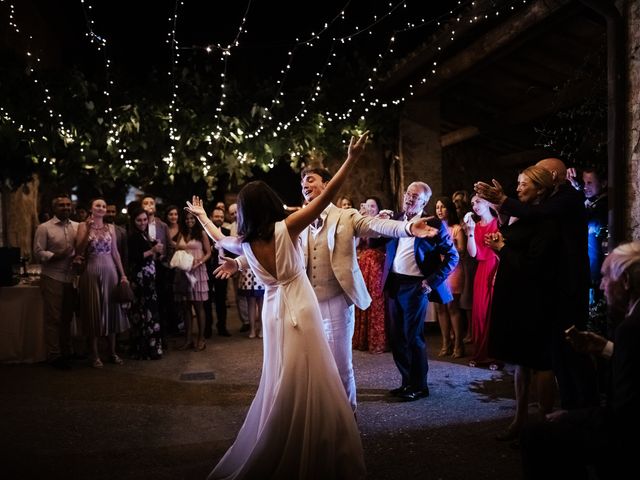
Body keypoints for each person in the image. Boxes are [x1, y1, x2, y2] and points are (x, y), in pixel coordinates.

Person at [185, 132, 370, 479]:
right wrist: (351, 159)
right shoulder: (288, 228)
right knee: (313, 373)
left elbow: (217, 238)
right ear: (270, 202)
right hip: (301, 306)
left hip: (273, 313)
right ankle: (313, 439)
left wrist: (200, 215)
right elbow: (328, 195)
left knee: (281, 375)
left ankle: (279, 430)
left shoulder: (246, 243)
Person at [475, 157, 599, 409]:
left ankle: (583, 411)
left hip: (567, 287)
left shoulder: (566, 199)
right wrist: (502, 212)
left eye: (530, 179)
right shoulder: (547, 206)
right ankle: (571, 410)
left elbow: (535, 223)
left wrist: (502, 202)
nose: (520, 187)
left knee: (569, 352)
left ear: (550, 178)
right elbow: (518, 231)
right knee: (559, 354)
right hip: (550, 289)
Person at [520, 241, 640, 480]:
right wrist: (605, 348)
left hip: (630, 436)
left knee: (537, 433)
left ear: (625, 281)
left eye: (607, 277)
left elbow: (625, 414)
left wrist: (571, 415)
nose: (602, 285)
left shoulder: (631, 328)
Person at [485, 166, 558, 441]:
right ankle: (519, 419)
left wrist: (502, 248)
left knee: (539, 361)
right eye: (517, 183)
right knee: (519, 361)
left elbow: (535, 265)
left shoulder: (547, 222)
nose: (517, 189)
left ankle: (545, 426)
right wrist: (501, 240)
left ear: (540, 189)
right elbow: (514, 246)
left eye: (523, 184)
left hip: (534, 297)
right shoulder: (521, 218)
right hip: (514, 293)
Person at [382, 182, 459, 401]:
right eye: (407, 194)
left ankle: (419, 386)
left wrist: (431, 281)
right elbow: (376, 243)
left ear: (424, 202)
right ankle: (407, 382)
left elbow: (453, 257)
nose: (409, 198)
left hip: (416, 285)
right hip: (395, 283)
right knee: (396, 337)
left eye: (415, 196)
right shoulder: (396, 220)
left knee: (413, 337)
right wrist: (377, 221)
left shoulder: (433, 223)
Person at [75, 198, 129, 368]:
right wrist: (89, 228)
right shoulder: (83, 226)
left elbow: (115, 253)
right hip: (91, 270)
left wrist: (123, 275)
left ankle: (112, 352)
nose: (101, 208)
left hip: (110, 270)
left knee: (111, 310)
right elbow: (78, 250)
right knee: (94, 312)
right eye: (98, 205)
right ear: (91, 208)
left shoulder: (111, 228)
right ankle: (95, 355)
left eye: (104, 206)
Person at [33, 194, 79, 369]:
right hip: (52, 277)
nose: (66, 208)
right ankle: (54, 355)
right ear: (54, 208)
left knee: (67, 318)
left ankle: (67, 351)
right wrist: (58, 255)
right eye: (62, 205)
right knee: (53, 318)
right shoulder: (44, 228)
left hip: (71, 278)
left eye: (68, 205)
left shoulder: (77, 226)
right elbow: (38, 253)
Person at [463, 195, 500, 368]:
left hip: (496, 267)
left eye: (477, 201)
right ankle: (480, 355)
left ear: (487, 202)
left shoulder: (498, 222)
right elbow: (473, 254)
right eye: (472, 203)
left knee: (494, 313)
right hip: (481, 270)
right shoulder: (476, 226)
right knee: (480, 314)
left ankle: (496, 357)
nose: (474, 205)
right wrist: (470, 232)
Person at [127, 206, 163, 360]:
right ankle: (145, 349)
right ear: (133, 221)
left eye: (144, 219)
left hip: (149, 279)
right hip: (141, 279)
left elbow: (150, 256)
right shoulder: (133, 237)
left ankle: (151, 347)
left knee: (149, 312)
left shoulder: (144, 235)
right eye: (139, 220)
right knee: (143, 313)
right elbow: (134, 257)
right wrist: (153, 250)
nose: (142, 222)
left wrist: (156, 251)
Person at [353, 196, 388, 354]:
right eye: (367, 206)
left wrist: (370, 220)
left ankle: (377, 341)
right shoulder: (361, 223)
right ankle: (362, 340)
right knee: (362, 298)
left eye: (373, 206)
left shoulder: (382, 222)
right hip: (364, 264)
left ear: (378, 208)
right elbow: (356, 245)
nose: (370, 208)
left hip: (377, 264)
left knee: (376, 300)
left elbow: (375, 243)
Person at [434, 196, 466, 358]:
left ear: (449, 209)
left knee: (452, 307)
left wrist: (448, 247)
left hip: (453, 270)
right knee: (440, 308)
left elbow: (461, 250)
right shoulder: (434, 228)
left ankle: (459, 344)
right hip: (438, 270)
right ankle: (446, 343)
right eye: (437, 207)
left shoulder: (456, 229)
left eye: (442, 207)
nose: (439, 210)